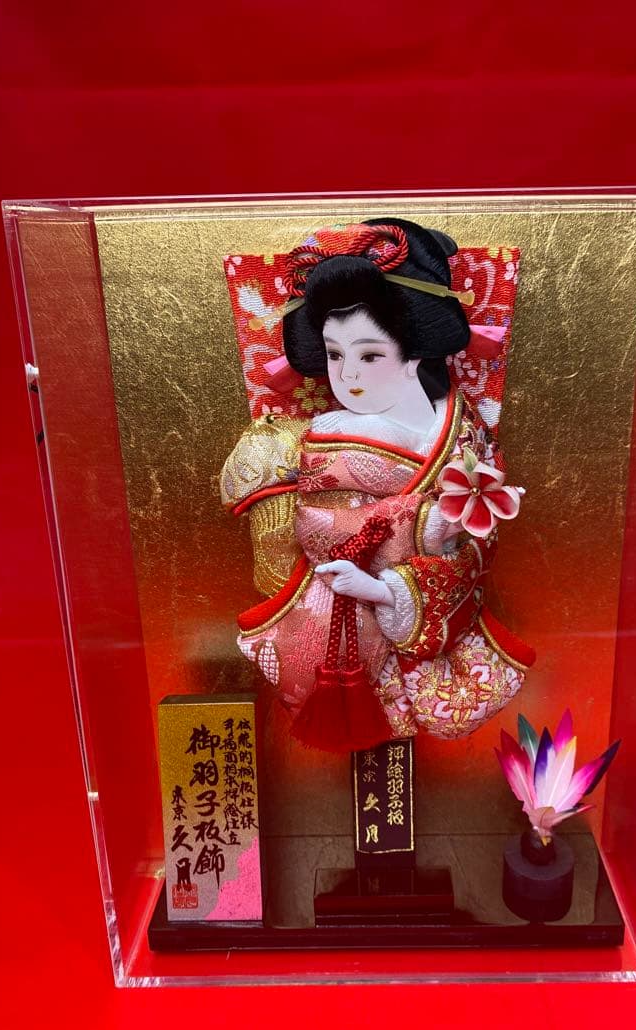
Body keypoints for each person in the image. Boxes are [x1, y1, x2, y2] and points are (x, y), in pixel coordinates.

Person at [220, 218, 534, 751]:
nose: (348, 375)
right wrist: (424, 528)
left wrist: (408, 576)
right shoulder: (327, 437)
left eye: (369, 355)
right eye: (335, 354)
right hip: (353, 617)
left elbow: (481, 537)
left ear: (414, 351)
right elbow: (322, 528)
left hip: (432, 604)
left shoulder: (462, 427)